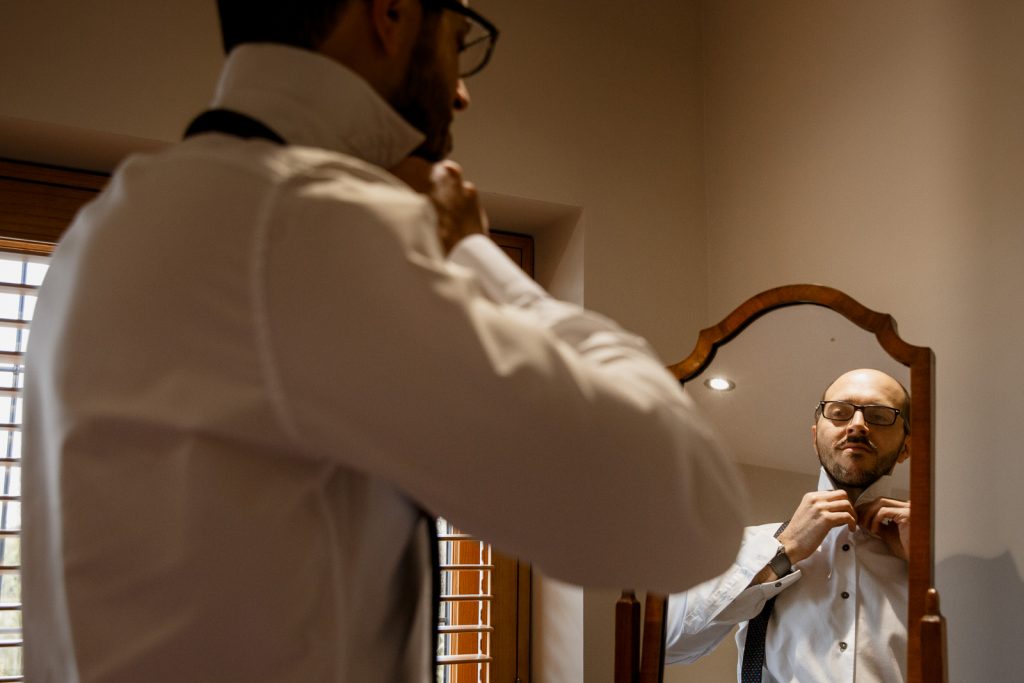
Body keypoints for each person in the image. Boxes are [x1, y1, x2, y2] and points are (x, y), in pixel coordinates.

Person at [22, 1, 747, 681]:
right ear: (393, 12)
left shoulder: (103, 230)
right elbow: (688, 515)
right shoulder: (312, 223)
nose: (462, 94)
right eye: (459, 43)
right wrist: (473, 254)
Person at [665, 368, 912, 682]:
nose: (857, 426)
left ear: (906, 446)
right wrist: (782, 553)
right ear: (814, 437)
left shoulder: (934, 560)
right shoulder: (746, 546)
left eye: (879, 416)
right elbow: (670, 646)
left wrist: (929, 567)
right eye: (839, 413)